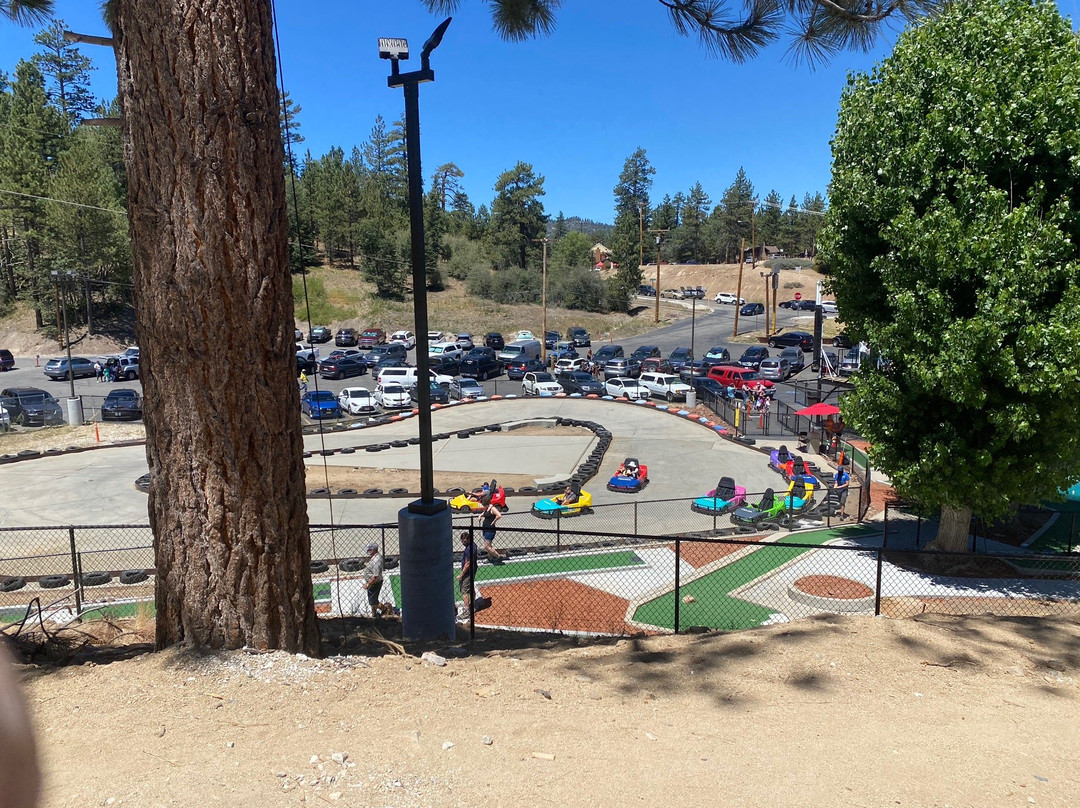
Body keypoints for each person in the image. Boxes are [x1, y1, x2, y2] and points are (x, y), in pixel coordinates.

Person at [360, 541, 384, 618]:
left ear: (374, 550)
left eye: (370, 550)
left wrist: (368, 584)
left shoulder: (376, 560)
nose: (368, 551)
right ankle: (374, 614)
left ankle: (385, 609)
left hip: (374, 583)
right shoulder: (374, 558)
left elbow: (375, 576)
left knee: (373, 601)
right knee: (372, 600)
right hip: (373, 582)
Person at [457, 530, 478, 612]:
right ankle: (473, 604)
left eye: (464, 541)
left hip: (468, 572)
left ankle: (467, 610)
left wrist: (461, 574)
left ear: (469, 539)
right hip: (472, 570)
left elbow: (468, 563)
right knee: (471, 587)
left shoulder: (469, 549)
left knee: (464, 590)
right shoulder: (473, 545)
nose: (463, 542)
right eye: (462, 541)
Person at [479, 494, 505, 561]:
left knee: (486, 546)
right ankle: (490, 558)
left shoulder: (492, 508)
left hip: (490, 530)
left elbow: (499, 515)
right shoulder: (487, 509)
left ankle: (498, 556)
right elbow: (484, 513)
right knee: (489, 545)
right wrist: (480, 515)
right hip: (485, 529)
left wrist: (494, 522)